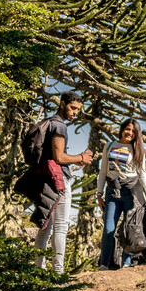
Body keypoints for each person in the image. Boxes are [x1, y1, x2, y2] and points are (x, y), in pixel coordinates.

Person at [34, 90, 93, 275]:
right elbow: (59, 157)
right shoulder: (59, 126)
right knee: (60, 226)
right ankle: (57, 274)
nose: (75, 113)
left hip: (45, 178)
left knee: (45, 227)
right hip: (58, 180)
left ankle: (38, 270)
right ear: (62, 104)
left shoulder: (49, 122)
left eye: (78, 110)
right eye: (72, 108)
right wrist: (80, 157)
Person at [96, 118, 146, 269]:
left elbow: (142, 173)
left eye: (134, 131)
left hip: (132, 192)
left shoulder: (137, 149)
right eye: (127, 129)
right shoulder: (109, 146)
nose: (130, 133)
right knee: (109, 229)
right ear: (121, 129)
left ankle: (127, 263)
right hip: (112, 191)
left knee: (131, 228)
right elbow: (103, 172)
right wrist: (99, 194)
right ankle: (104, 264)